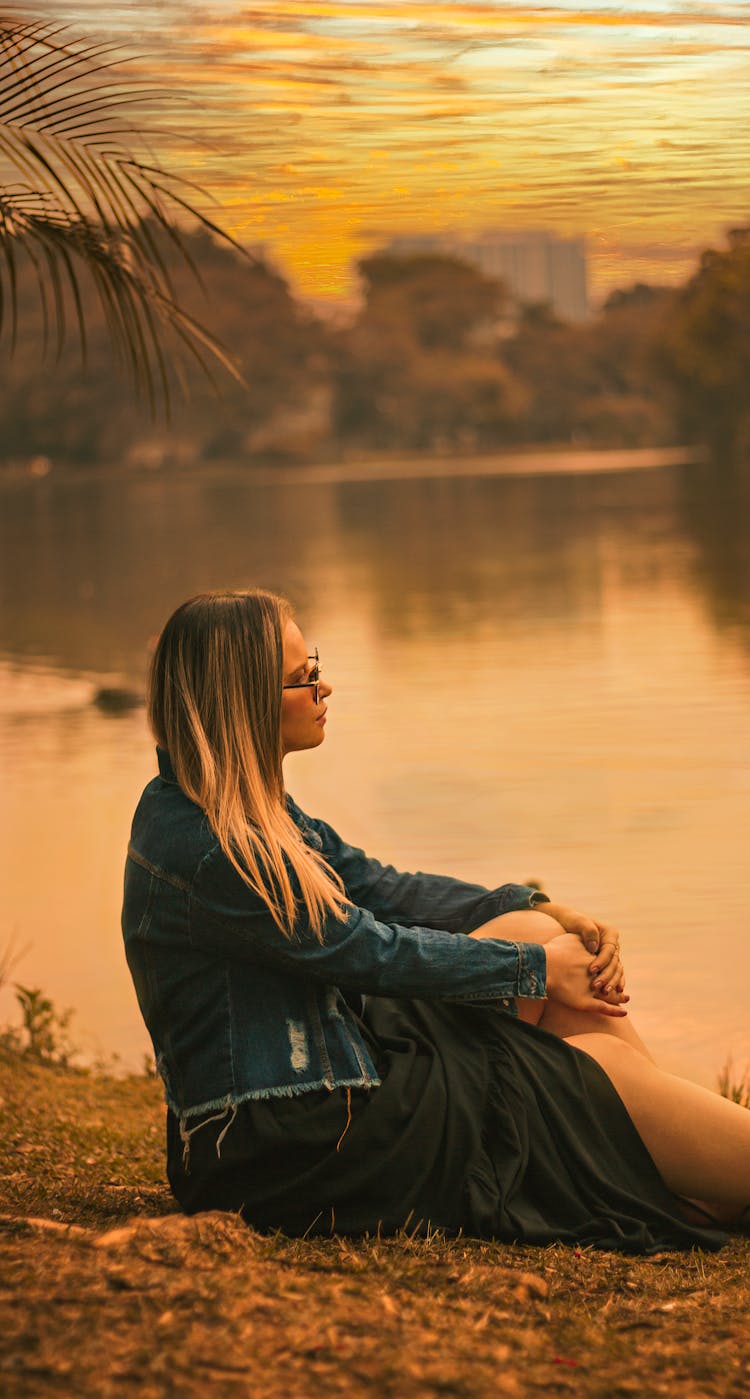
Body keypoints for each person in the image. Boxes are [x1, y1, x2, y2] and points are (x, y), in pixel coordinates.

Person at [122, 589, 750, 1252]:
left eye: (318, 665)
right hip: (294, 1146)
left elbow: (383, 888)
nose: (325, 685)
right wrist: (533, 974)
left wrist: (533, 909)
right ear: (245, 699)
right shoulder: (216, 847)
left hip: (334, 1078)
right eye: (305, 677)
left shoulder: (231, 802)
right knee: (588, 1066)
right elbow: (368, 953)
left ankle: (696, 1176)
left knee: (540, 938)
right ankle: (703, 1174)